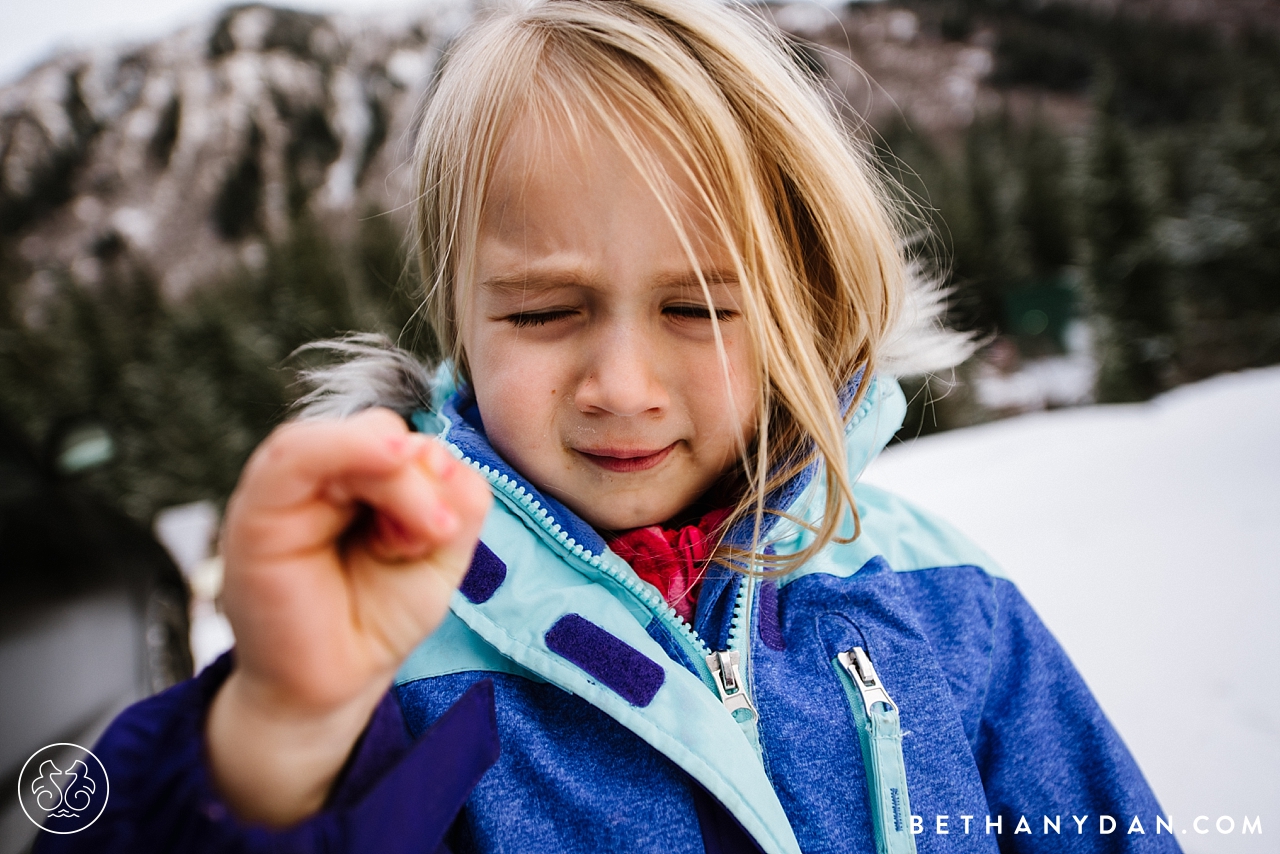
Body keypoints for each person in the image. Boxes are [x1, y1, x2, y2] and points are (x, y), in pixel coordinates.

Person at [39, 1, 1177, 852]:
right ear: (459, 315)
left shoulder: (940, 595)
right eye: (543, 311)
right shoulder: (384, 645)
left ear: (809, 302)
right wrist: (280, 733)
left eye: (699, 307)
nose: (621, 384)